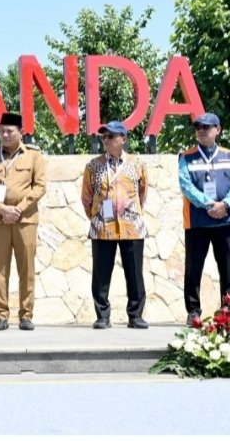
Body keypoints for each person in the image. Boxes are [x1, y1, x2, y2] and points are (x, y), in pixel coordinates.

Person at [0, 112, 47, 332]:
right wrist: (2, 208)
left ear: (21, 133)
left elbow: (40, 186)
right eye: (2, 131)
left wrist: (19, 208)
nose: (4, 135)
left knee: (26, 269)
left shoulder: (34, 156)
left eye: (9, 131)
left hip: (25, 220)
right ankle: (1, 315)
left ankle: (26, 315)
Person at [80, 121, 149, 329]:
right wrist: (97, 216)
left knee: (135, 273)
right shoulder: (93, 165)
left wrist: (131, 212)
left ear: (123, 139)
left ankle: (135, 315)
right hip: (103, 228)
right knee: (101, 273)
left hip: (131, 227)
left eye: (111, 136)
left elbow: (142, 192)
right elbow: (87, 197)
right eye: (104, 136)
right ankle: (102, 315)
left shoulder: (137, 164)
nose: (106, 140)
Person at [178, 112, 230, 324]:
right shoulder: (186, 156)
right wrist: (210, 205)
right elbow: (186, 186)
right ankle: (193, 312)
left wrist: (224, 204)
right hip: (197, 222)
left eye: (206, 127)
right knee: (193, 268)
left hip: (225, 220)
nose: (201, 130)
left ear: (218, 130)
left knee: (227, 268)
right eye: (198, 127)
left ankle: (229, 310)